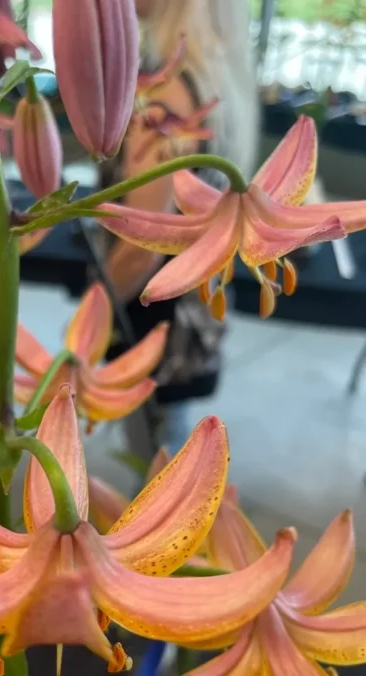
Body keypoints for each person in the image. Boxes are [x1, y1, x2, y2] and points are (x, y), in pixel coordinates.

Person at [101, 0, 258, 456]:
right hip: (198, 308)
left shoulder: (166, 97)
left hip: (153, 310)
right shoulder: (219, 78)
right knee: (171, 444)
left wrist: (90, 319)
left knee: (156, 464)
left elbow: (140, 247)